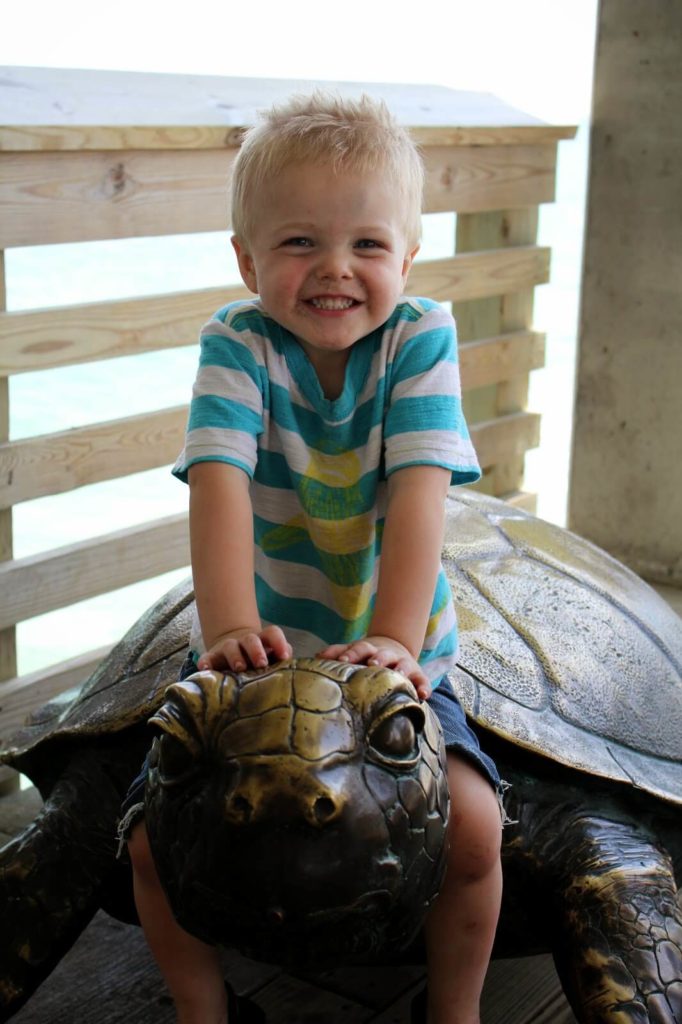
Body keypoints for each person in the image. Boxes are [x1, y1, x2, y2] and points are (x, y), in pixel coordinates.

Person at [124, 92, 505, 1024]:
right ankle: (202, 1008)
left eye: (367, 246)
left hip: (393, 654)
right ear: (248, 260)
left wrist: (393, 640)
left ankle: (453, 1011)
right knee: (146, 840)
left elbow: (422, 492)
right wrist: (227, 631)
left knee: (476, 830)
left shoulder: (420, 337)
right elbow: (216, 478)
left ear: (406, 259)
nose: (335, 269)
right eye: (298, 244)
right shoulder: (238, 342)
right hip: (261, 657)